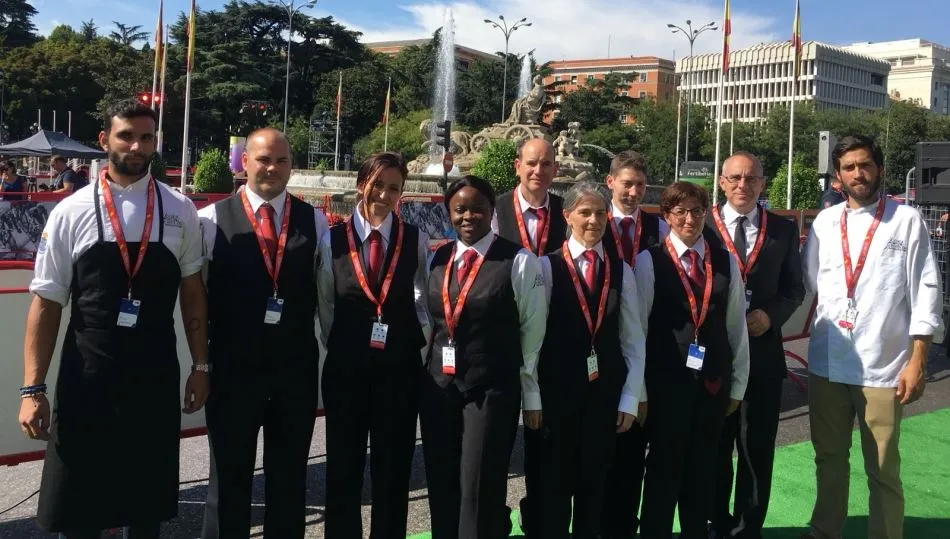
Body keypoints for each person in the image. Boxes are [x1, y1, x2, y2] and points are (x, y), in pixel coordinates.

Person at [17, 99, 209, 538]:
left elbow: (193, 294)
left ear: (156, 143)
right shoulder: (71, 211)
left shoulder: (180, 210)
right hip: (87, 375)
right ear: (105, 140)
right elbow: (46, 304)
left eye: (146, 137)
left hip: (154, 374)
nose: (136, 146)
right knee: (79, 506)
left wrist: (201, 367)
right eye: (126, 136)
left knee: (146, 508)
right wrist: (32, 388)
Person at [801, 135, 942, 539]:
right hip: (828, 362)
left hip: (883, 366)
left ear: (878, 168)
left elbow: (926, 290)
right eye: (849, 168)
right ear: (838, 177)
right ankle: (825, 529)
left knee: (882, 468)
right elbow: (811, 281)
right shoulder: (826, 223)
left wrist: (918, 360)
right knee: (828, 458)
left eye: (864, 165)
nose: (857, 174)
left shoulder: (906, 219)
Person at [199, 128, 329, 538]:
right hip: (233, 370)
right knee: (229, 478)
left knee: (289, 478)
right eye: (263, 160)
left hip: (294, 371)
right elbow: (196, 299)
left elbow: (325, 295)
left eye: (281, 160)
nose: (272, 168)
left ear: (291, 165)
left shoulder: (316, 220)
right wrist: (201, 364)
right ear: (244, 163)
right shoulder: (208, 220)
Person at [421, 175, 546, 539]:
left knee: (479, 485)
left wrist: (528, 389)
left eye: (478, 209)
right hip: (439, 389)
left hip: (490, 390)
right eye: (460, 209)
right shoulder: (438, 257)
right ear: (448, 213)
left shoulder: (519, 261)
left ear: (492, 211)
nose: (468, 216)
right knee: (441, 479)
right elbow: (431, 320)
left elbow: (532, 331)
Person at [317, 152, 430, 538]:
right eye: (378, 183)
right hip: (346, 371)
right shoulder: (331, 240)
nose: (383, 194)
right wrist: (348, 345)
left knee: (393, 469)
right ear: (362, 182)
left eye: (394, 188)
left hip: (397, 373)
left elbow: (421, 299)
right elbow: (326, 304)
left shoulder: (415, 241)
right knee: (343, 468)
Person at [635, 181, 750, 539]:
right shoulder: (648, 261)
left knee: (704, 468)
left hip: (712, 384)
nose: (690, 219)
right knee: (664, 467)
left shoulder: (725, 260)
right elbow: (636, 331)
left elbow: (736, 326)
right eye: (680, 211)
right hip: (665, 385)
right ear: (666, 216)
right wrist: (638, 390)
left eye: (697, 211)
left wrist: (738, 384)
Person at [537, 180, 645, 539]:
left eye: (600, 213)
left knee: (594, 485)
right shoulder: (546, 268)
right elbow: (533, 343)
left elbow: (633, 340)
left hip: (604, 395)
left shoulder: (621, 271)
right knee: (555, 485)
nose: (594, 220)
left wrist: (630, 397)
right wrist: (533, 396)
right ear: (567, 216)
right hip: (558, 396)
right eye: (585, 212)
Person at [707, 152, 805, 539]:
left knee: (755, 449)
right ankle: (715, 521)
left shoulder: (781, 230)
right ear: (721, 182)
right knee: (714, 448)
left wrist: (771, 315)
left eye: (751, 178)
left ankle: (748, 528)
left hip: (763, 355)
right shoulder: (702, 223)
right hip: (715, 354)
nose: (742, 185)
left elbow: (794, 289)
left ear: (762, 183)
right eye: (735, 178)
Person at [490, 137, 565, 537]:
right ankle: (495, 520)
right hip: (502, 339)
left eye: (547, 164)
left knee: (544, 443)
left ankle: (538, 520)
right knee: (497, 440)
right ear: (518, 164)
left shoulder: (567, 212)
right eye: (532, 163)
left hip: (552, 343)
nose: (539, 171)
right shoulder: (495, 209)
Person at [599, 150, 668, 539]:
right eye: (627, 183)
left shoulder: (659, 228)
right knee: (601, 447)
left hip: (647, 346)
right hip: (603, 344)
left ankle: (626, 525)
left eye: (640, 185)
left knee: (635, 446)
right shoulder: (593, 221)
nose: (633, 191)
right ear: (611, 182)